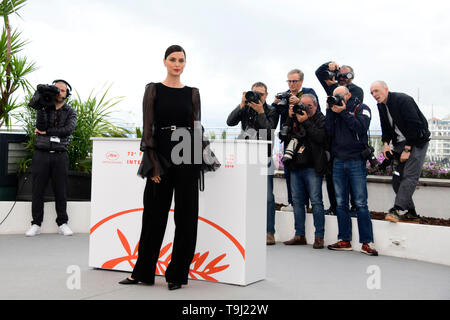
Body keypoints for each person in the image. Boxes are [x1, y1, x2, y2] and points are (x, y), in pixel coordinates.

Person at [119, 45, 202, 290]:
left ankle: (177, 274)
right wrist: (152, 164)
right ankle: (143, 272)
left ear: (185, 63)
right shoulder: (153, 90)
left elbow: (196, 128)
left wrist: (196, 163)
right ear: (165, 61)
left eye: (181, 60)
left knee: (186, 218)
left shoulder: (193, 93)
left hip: (187, 153)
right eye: (173, 59)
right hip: (161, 155)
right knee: (154, 216)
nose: (177, 64)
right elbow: (148, 128)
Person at [325, 86, 378, 256]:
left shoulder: (361, 108)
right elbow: (329, 132)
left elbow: (360, 128)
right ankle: (344, 240)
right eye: (334, 96)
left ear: (348, 95)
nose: (337, 98)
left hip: (356, 161)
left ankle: (367, 242)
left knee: (361, 203)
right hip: (338, 161)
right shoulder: (334, 110)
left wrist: (343, 112)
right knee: (340, 204)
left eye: (339, 95)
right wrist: (330, 112)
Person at [370, 81, 430, 222]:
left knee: (409, 175)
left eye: (376, 91)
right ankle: (412, 212)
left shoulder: (403, 100)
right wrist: (385, 144)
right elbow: (385, 127)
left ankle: (396, 210)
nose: (374, 95)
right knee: (397, 179)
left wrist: (408, 149)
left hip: (416, 141)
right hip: (400, 143)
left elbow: (415, 125)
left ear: (386, 89)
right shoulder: (381, 105)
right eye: (372, 93)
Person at [227, 82, 279, 245]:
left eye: (261, 94)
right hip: (246, 156)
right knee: (243, 194)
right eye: (254, 93)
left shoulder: (272, 110)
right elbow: (230, 122)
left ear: (266, 95)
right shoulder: (246, 107)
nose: (257, 97)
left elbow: (269, 132)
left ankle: (269, 232)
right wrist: (241, 104)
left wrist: (261, 112)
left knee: (268, 197)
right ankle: (242, 229)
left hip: (264, 157)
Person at [25, 80, 77, 237]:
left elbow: (67, 130)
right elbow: (39, 125)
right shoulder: (44, 106)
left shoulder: (70, 111)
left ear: (67, 93)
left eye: (63, 90)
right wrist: (41, 99)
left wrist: (47, 133)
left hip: (60, 155)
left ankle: (62, 223)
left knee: (61, 190)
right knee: (37, 191)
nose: (60, 93)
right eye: (57, 90)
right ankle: (36, 224)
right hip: (41, 153)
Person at [279, 94, 328, 248]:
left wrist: (305, 122)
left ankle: (319, 236)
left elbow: (320, 138)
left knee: (316, 202)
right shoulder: (295, 117)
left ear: (315, 105)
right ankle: (299, 235)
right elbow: (284, 135)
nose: (306, 109)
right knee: (298, 202)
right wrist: (289, 117)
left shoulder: (321, 118)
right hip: (296, 166)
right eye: (303, 106)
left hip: (312, 167)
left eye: (309, 106)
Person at [315, 61, 363, 215]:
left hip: (349, 138)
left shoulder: (356, 90)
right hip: (334, 138)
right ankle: (334, 206)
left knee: (351, 178)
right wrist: (330, 65)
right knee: (331, 176)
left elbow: (350, 108)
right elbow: (318, 73)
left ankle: (354, 207)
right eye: (339, 75)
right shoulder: (333, 88)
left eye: (345, 75)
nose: (342, 78)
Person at [273, 69, 320, 213]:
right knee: (289, 171)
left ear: (301, 82)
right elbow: (275, 114)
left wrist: (299, 101)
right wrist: (275, 103)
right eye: (289, 81)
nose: (292, 84)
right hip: (289, 138)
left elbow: (315, 110)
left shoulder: (308, 92)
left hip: (305, 138)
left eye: (295, 81)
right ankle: (292, 202)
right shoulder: (285, 95)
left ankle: (306, 204)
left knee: (305, 172)